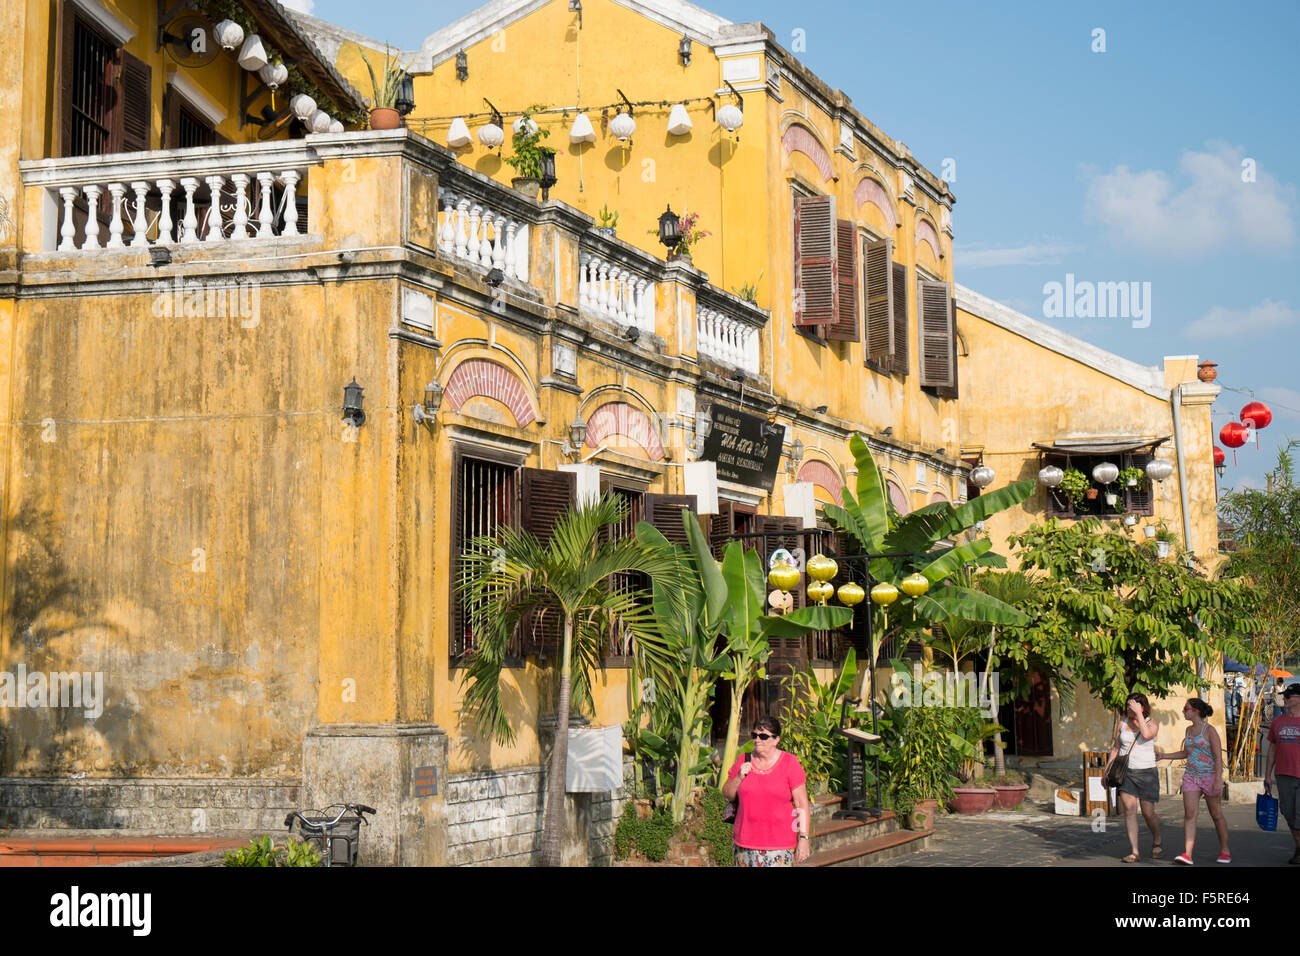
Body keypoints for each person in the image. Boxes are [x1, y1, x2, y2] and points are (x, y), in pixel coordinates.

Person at [721, 716, 811, 867]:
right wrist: (738, 778)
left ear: (776, 740)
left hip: (779, 847)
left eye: (763, 736)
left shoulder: (790, 763)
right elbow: (727, 794)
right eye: (754, 735)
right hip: (745, 844)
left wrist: (804, 838)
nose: (757, 740)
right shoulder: (744, 759)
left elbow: (802, 803)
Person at [1156, 698, 1230, 864]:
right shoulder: (1188, 730)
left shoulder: (1209, 730)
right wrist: (1163, 756)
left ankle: (1225, 850)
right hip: (1191, 776)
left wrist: (1218, 779)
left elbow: (1218, 757)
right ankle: (1187, 854)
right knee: (1190, 814)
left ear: (1195, 711)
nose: (1183, 711)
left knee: (1216, 814)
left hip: (1209, 776)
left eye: (1186, 708)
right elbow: (1186, 753)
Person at [1106, 692, 1162, 862]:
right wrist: (1106, 770)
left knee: (1148, 813)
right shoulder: (1122, 723)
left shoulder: (1152, 724)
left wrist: (1139, 714)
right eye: (1128, 706)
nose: (1128, 709)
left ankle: (1157, 838)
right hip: (1126, 773)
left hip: (1146, 773)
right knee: (1129, 811)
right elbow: (1116, 748)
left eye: (1133, 706)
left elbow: (1145, 735)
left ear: (1142, 707)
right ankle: (1135, 852)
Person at [1263, 684, 1300, 864]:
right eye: (1284, 696)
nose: (1284, 699)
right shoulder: (1278, 722)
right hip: (1283, 774)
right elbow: (1271, 751)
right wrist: (1267, 776)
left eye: (1288, 696)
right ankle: (1299, 847)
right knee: (1288, 812)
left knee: (1299, 815)